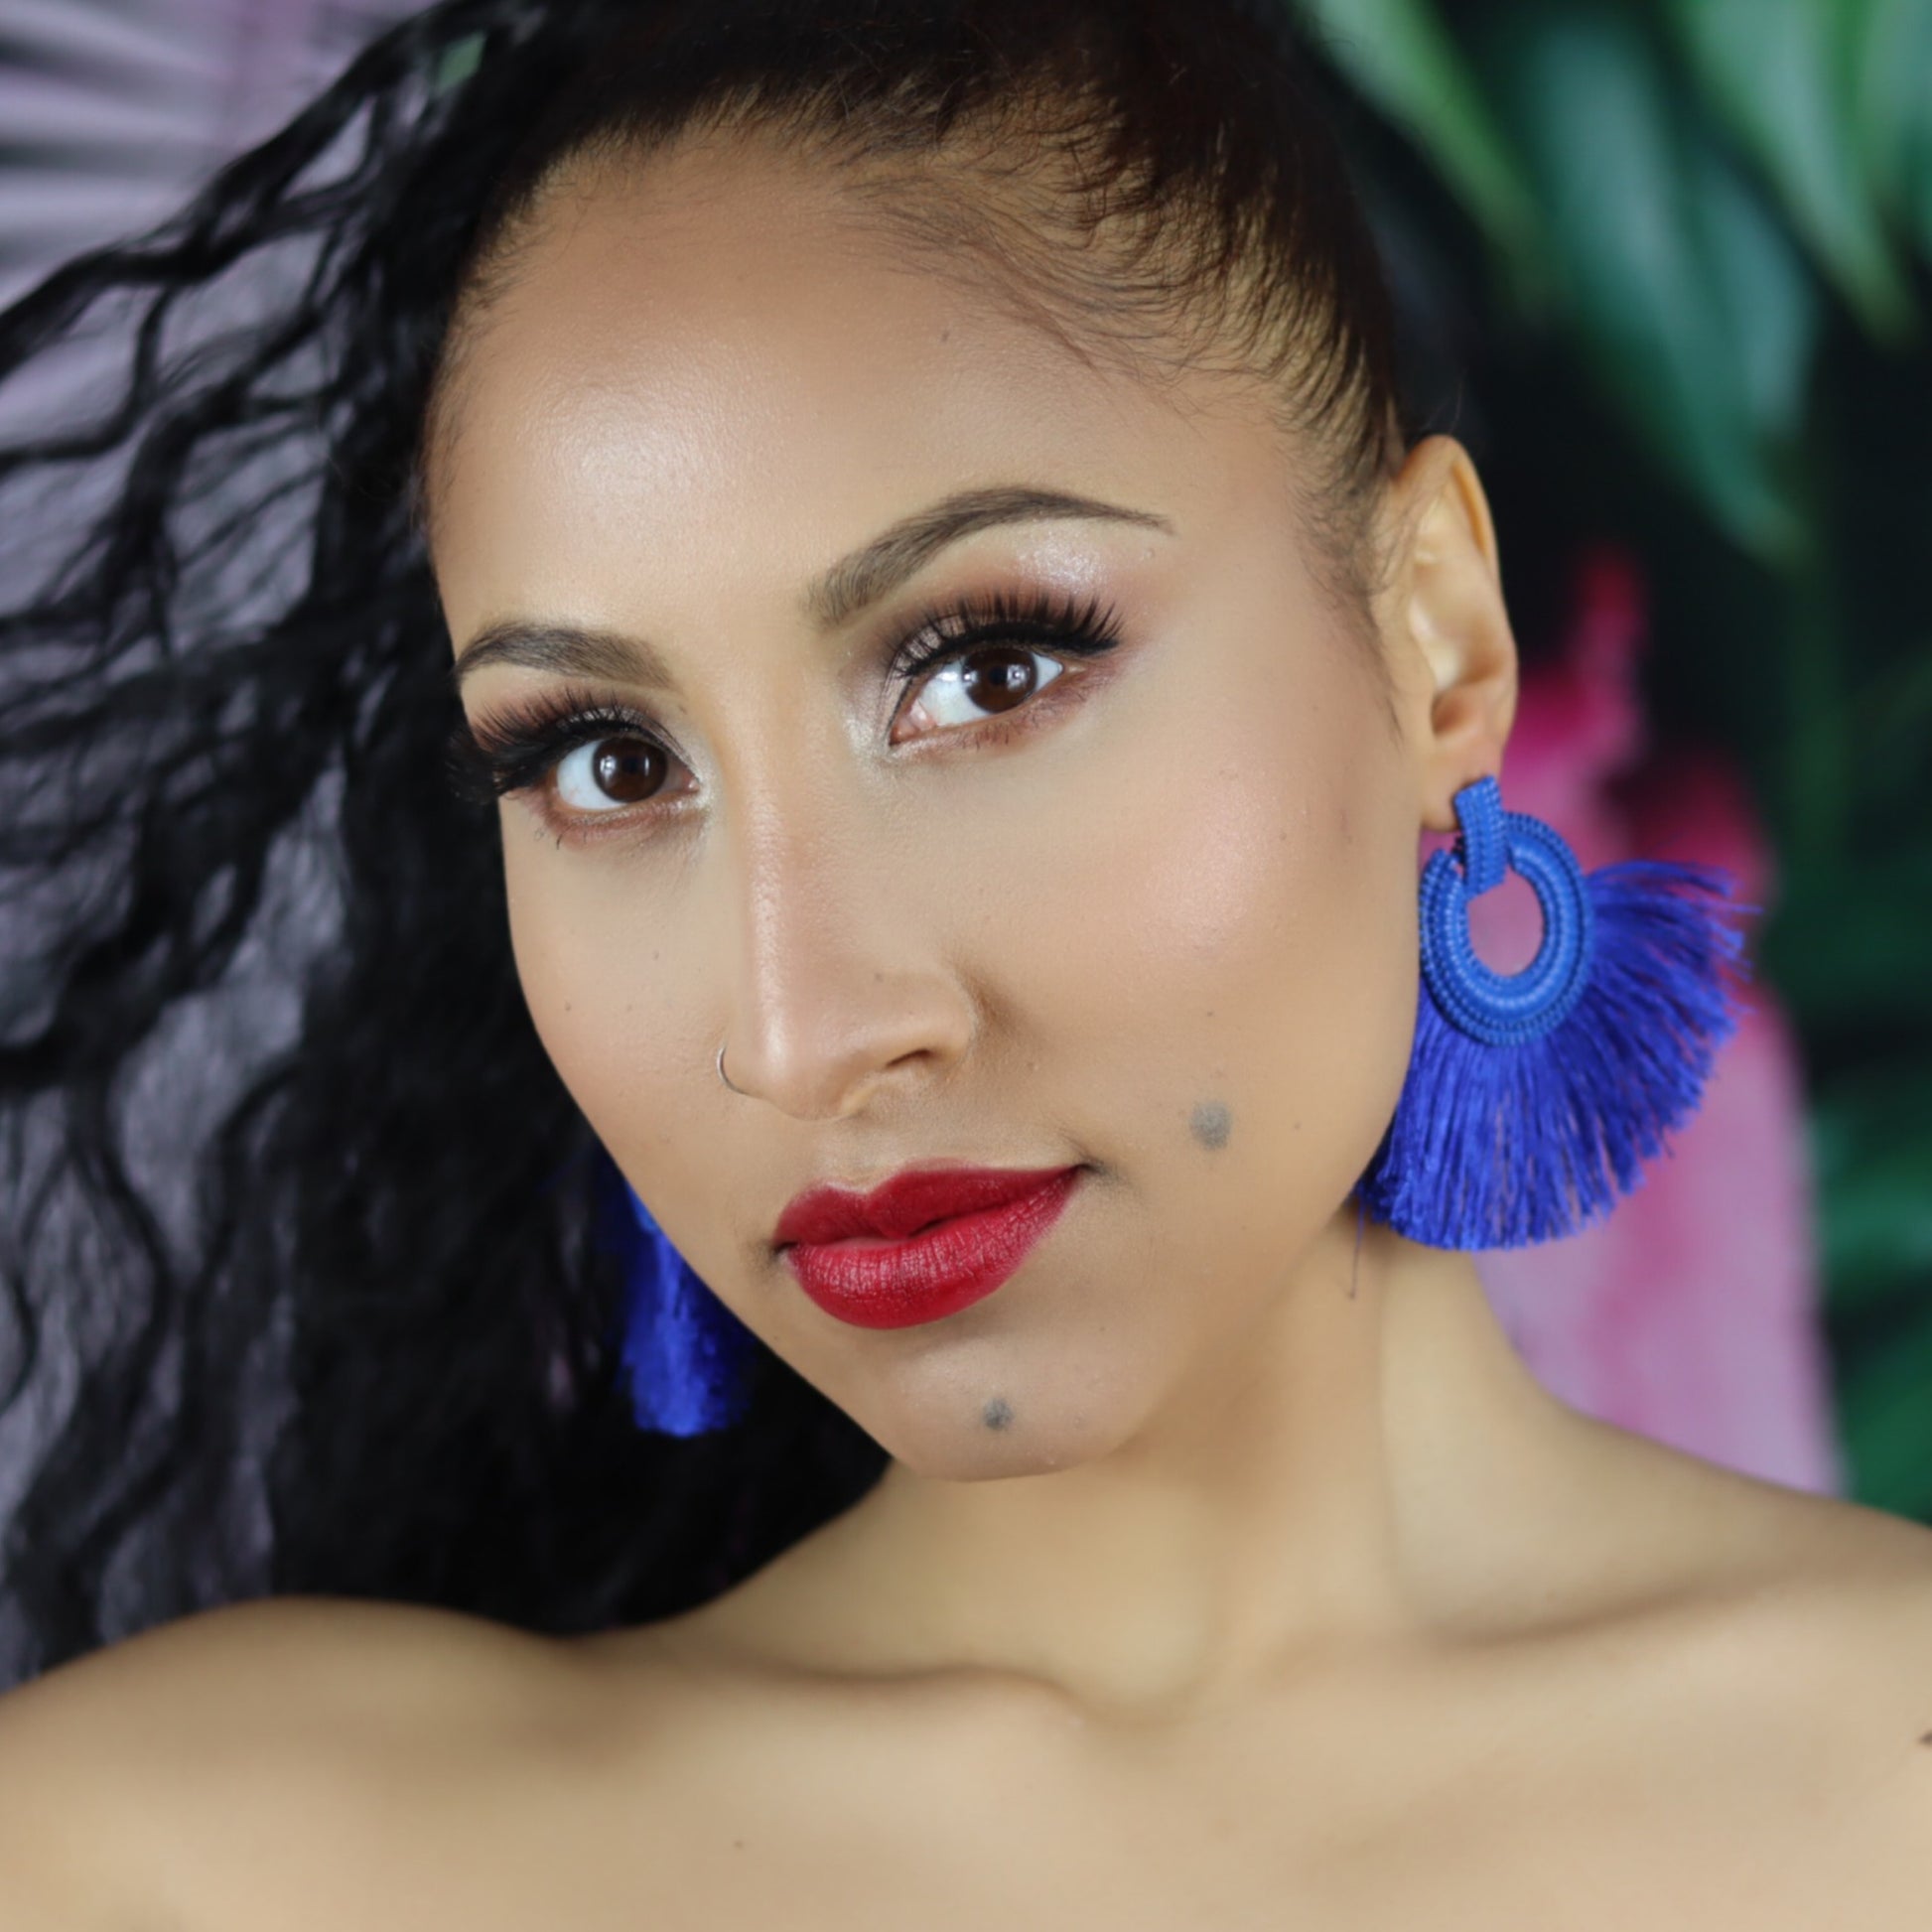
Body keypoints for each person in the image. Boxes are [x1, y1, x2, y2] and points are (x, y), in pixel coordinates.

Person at [0, 1, 1928, 1923]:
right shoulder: (170, 1860)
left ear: (1436, 647)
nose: (799, 1029)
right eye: (608, 763)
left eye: (991, 670)